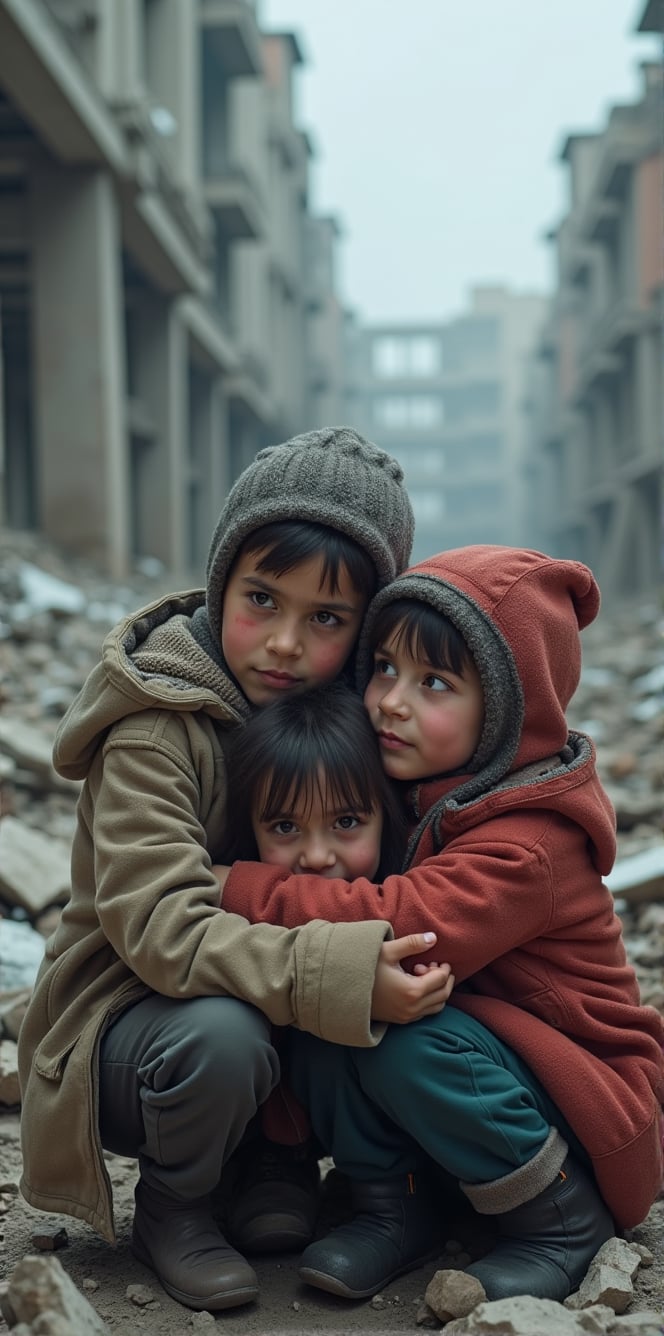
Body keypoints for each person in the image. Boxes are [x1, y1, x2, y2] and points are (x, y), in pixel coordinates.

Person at [16, 426, 456, 1315]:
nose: (285, 644)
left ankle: (282, 1162)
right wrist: (341, 974)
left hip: (265, 1024)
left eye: (326, 619)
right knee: (227, 1031)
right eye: (262, 599)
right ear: (222, 585)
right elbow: (162, 929)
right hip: (136, 1028)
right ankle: (179, 1203)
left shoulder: (358, 721)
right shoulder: (155, 727)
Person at [216, 544, 664, 1305]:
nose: (391, 700)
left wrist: (247, 886)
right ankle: (395, 1206)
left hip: (591, 1106)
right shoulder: (434, 795)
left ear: (509, 709)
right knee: (335, 995)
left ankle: (558, 1219)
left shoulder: (530, 841)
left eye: (434, 683)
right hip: (493, 1069)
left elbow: (402, 924)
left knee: (399, 1021)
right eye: (384, 668)